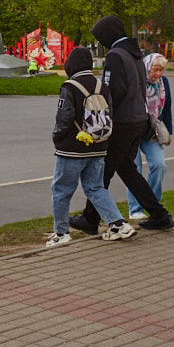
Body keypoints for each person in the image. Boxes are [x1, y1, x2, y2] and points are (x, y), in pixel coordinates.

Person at [71, 15, 174, 234]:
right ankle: (159, 215)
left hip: (122, 122)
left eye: (101, 38)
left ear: (108, 36)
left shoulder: (116, 56)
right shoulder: (134, 54)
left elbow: (112, 93)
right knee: (127, 170)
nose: (100, 43)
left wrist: (103, 120)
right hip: (138, 120)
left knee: (103, 172)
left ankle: (91, 219)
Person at [47, 47, 136, 247]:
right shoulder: (102, 86)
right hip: (98, 146)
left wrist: (57, 138)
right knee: (95, 187)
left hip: (72, 148)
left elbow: (64, 118)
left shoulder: (70, 86)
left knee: (61, 190)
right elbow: (109, 113)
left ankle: (61, 233)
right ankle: (118, 223)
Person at [128, 53, 174, 220]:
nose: (158, 74)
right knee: (134, 171)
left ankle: (152, 204)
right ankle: (135, 209)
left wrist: (168, 132)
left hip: (152, 131)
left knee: (159, 165)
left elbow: (167, 107)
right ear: (147, 67)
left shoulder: (163, 83)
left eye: (161, 70)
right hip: (133, 132)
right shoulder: (137, 81)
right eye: (155, 70)